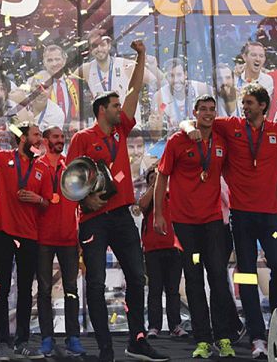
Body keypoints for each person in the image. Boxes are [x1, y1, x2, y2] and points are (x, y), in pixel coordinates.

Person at [178, 83, 277, 359]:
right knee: (246, 275)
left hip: (270, 216)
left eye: (249, 103)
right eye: (243, 102)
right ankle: (257, 336)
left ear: (262, 106)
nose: (244, 107)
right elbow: (196, 121)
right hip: (241, 216)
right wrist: (188, 128)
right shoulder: (231, 125)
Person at [67, 40, 168, 362]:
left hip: (122, 215)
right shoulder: (82, 138)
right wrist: (85, 202)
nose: (119, 109)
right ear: (101, 110)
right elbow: (69, 181)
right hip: (94, 219)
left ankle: (137, 339)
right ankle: (105, 348)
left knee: (137, 277)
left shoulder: (120, 131)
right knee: (96, 283)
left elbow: (134, 92)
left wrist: (141, 56)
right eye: (114, 106)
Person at [152, 95, 240, 359]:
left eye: (212, 109)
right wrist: (159, 214)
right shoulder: (177, 141)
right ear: (195, 112)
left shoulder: (221, 141)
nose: (208, 113)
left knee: (218, 278)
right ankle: (202, 339)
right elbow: (162, 177)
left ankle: (223, 337)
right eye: (203, 109)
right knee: (193, 279)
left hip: (212, 221)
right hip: (185, 223)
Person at [0, 122, 50, 359]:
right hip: (4, 232)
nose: (40, 139)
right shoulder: (4, 158)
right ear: (23, 138)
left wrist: (37, 199)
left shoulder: (42, 167)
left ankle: (22, 341)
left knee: (25, 290)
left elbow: (47, 202)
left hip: (29, 235)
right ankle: (2, 341)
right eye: (36, 135)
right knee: (1, 287)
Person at [35, 126, 85, 357]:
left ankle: (73, 337)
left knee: (71, 289)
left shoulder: (71, 167)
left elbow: (81, 202)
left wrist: (80, 235)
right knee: (44, 290)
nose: (60, 140)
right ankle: (47, 338)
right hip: (43, 238)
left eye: (62, 137)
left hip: (68, 238)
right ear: (45, 141)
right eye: (55, 137)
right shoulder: (37, 165)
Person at [138, 166, 183, 342]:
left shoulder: (171, 195)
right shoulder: (147, 200)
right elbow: (142, 205)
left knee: (173, 290)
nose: (156, 180)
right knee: (155, 290)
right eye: (152, 178)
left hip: (173, 248)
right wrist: (155, 185)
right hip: (152, 249)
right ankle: (154, 326)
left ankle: (175, 325)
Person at [152, 58, 213, 127]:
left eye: (179, 75)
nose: (175, 80)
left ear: (185, 75)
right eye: (171, 76)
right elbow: (156, 123)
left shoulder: (200, 89)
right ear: (166, 77)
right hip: (174, 132)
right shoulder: (160, 96)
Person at [37, 44, 81, 131]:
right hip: (46, 133)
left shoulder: (75, 83)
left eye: (57, 59)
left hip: (71, 132)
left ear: (64, 61)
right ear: (44, 63)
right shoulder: (37, 85)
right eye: (50, 60)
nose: (54, 63)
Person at [233, 41, 273, 107]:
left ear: (264, 59)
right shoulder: (234, 79)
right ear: (244, 57)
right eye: (254, 55)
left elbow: (261, 106)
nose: (258, 59)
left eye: (261, 56)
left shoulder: (267, 80)